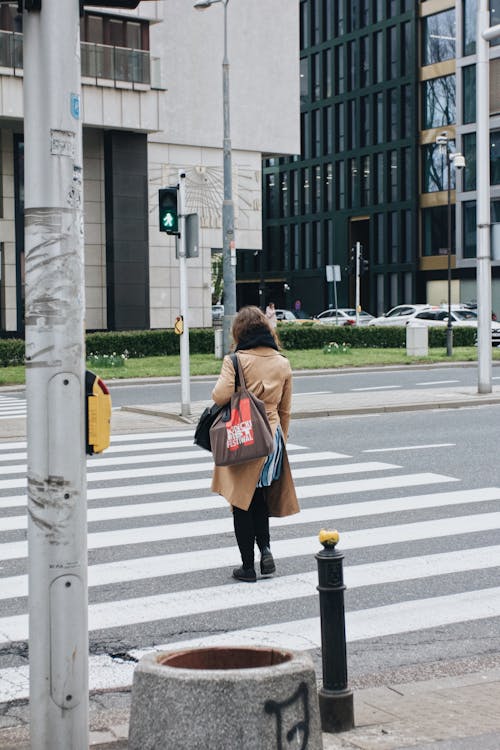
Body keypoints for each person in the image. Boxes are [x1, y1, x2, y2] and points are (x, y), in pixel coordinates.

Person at [211, 305, 300, 582]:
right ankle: (266, 550)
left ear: (239, 331)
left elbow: (219, 396)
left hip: (244, 433)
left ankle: (247, 567)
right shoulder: (282, 362)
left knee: (241, 501)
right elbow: (285, 410)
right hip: (272, 438)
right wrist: (280, 440)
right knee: (260, 495)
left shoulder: (236, 361)